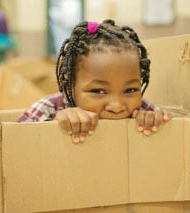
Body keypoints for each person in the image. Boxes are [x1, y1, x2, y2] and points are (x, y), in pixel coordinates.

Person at [18, 20, 170, 143]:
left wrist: (156, 124)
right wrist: (53, 127)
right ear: (67, 87)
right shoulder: (49, 108)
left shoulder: (143, 109)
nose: (116, 107)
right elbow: (14, 141)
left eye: (130, 90)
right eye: (98, 91)